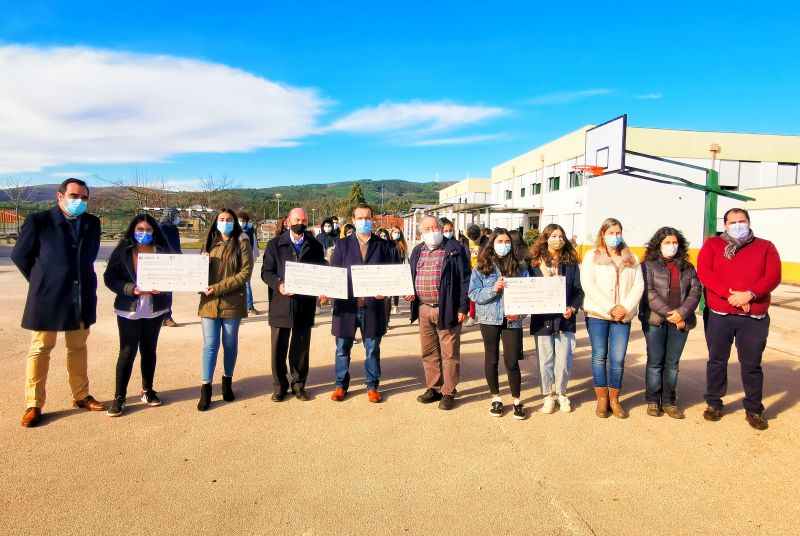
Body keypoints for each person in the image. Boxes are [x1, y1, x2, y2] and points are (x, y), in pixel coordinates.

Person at [11, 178, 105, 427]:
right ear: (60, 196)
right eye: (74, 196)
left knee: (78, 347)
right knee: (41, 348)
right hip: (48, 297)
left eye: (84, 198)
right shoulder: (39, 221)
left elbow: (89, 255)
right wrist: (42, 280)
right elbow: (20, 256)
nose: (79, 201)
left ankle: (81, 395)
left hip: (81, 296)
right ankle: (34, 403)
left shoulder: (92, 223)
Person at [697, 208, 781, 430]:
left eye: (741, 221)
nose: (737, 225)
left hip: (754, 317)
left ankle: (754, 409)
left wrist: (750, 294)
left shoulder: (766, 246)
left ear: (749, 222)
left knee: (752, 365)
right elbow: (705, 272)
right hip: (719, 315)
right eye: (732, 222)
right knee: (717, 361)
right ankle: (714, 403)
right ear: (725, 225)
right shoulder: (713, 245)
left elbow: (773, 276)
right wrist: (731, 295)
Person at [103, 215, 173, 417]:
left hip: (155, 309)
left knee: (150, 350)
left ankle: (147, 390)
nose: (144, 233)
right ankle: (120, 396)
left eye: (149, 230)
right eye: (140, 229)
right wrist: (129, 288)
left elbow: (175, 275)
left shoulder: (161, 251)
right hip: (129, 309)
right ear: (133, 230)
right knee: (127, 352)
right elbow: (110, 277)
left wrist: (166, 286)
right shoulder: (123, 251)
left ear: (155, 232)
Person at [329, 203, 397, 403]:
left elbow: (392, 275)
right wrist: (326, 291)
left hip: (373, 307)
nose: (364, 221)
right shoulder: (342, 245)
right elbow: (334, 274)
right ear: (353, 220)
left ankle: (372, 385)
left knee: (372, 349)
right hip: (346, 307)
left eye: (368, 218)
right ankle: (340, 385)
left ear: (373, 219)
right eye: (360, 218)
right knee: (342, 349)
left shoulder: (384, 245)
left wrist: (385, 292)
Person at [581, 218, 644, 419]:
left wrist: (625, 307)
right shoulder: (592, 256)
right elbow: (588, 285)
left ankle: (615, 398)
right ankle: (602, 399)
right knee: (599, 356)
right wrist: (609, 307)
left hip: (622, 316)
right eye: (611, 233)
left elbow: (639, 285)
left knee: (617, 359)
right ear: (602, 234)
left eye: (618, 233)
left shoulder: (631, 258)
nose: (615, 237)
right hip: (598, 314)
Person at [405, 216, 470, 410]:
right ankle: (434, 387)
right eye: (427, 229)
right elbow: (410, 276)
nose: (432, 231)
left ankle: (449, 392)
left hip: (447, 308)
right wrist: (409, 292)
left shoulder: (455, 249)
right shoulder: (417, 251)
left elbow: (466, 280)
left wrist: (463, 307)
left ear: (441, 229)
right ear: (421, 233)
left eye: (435, 227)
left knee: (449, 353)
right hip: (424, 307)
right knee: (429, 351)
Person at [261, 208, 326, 401]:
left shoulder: (314, 245)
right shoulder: (275, 244)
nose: (301, 223)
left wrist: (323, 288)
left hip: (304, 305)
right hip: (281, 303)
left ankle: (299, 384)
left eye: (304, 220)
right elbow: (266, 272)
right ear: (288, 221)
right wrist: (279, 285)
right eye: (297, 219)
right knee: (278, 348)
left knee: (301, 349)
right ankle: (279, 386)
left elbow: (321, 271)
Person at [639, 227, 701, 419]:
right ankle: (652, 400)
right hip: (656, 321)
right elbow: (648, 292)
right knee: (655, 362)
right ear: (658, 244)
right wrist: (668, 313)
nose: (671, 246)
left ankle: (669, 401)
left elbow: (695, 291)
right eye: (667, 242)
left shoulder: (688, 267)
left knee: (672, 364)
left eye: (674, 243)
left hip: (680, 322)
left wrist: (681, 314)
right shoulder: (647, 265)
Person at [468, 228, 529, 420]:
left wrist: (520, 311)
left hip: (512, 320)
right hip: (489, 319)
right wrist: (493, 289)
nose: (504, 245)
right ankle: (495, 398)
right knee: (491, 359)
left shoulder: (520, 266)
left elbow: (527, 293)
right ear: (492, 243)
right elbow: (474, 294)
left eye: (507, 241)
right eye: (500, 241)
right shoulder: (481, 267)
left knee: (512, 362)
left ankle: (517, 401)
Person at [196, 209, 253, 411]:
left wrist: (219, 288)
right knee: (210, 345)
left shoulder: (242, 242)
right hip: (209, 303)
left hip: (232, 302)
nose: (225, 222)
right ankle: (206, 388)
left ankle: (227, 381)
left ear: (235, 222)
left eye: (229, 219)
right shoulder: (209, 241)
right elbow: (196, 270)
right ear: (215, 221)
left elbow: (245, 272)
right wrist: (199, 268)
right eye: (221, 219)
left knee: (229, 343)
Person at [527, 224, 584, 414]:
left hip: (565, 318)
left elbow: (577, 289)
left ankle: (561, 393)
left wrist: (573, 307)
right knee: (545, 360)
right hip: (542, 319)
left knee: (564, 359)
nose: (557, 239)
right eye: (553, 235)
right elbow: (527, 287)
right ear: (545, 238)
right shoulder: (533, 262)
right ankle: (547, 395)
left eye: (561, 236)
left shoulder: (570, 262)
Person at [158, 207, 181, 327]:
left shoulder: (157, 225)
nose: (178, 217)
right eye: (177, 215)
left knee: (159, 290)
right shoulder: (170, 228)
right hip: (168, 262)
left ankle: (159, 315)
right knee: (167, 291)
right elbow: (174, 246)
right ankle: (167, 316)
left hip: (157, 261)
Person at [462, 223, 486, 327]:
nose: (474, 241)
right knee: (471, 295)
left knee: (483, 295)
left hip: (483, 271)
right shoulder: (464, 240)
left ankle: (481, 315)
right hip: (469, 271)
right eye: (472, 239)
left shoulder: (485, 240)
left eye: (476, 238)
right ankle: (471, 316)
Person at [238, 210, 261, 315]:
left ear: (246, 222)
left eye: (242, 221)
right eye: (238, 220)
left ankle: (250, 306)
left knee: (247, 284)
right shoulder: (233, 231)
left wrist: (252, 259)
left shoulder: (250, 232)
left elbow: (254, 247)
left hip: (246, 262)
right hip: (235, 262)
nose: (241, 222)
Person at [388, 226, 408, 316]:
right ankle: (387, 309)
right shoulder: (387, 244)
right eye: (395, 232)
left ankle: (396, 307)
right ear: (391, 233)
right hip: (389, 269)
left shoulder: (402, 244)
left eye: (398, 233)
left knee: (396, 290)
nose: (397, 234)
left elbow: (405, 258)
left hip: (399, 269)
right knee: (389, 292)